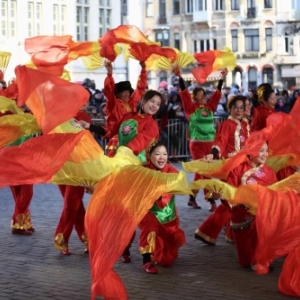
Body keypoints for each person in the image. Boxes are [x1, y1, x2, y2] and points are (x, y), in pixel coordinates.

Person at [194, 95, 251, 244]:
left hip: (244, 168)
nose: (238, 110)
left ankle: (211, 232)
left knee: (234, 201)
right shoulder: (227, 124)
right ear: (230, 108)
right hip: (231, 167)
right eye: (235, 107)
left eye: (241, 107)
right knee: (230, 201)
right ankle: (210, 231)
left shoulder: (245, 125)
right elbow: (221, 141)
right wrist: (213, 153)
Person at [173, 66, 226, 210]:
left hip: (210, 144)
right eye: (200, 94)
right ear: (195, 96)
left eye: (204, 94)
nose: (203, 96)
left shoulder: (210, 107)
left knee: (200, 172)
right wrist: (180, 77)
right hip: (196, 144)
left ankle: (191, 198)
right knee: (205, 171)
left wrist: (222, 78)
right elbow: (184, 94)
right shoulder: (190, 108)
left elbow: (217, 94)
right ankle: (211, 201)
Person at [228, 142, 277, 269]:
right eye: (261, 150)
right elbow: (229, 191)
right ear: (252, 151)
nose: (265, 154)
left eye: (266, 151)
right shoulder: (237, 169)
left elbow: (276, 193)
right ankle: (252, 260)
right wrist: (217, 195)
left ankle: (260, 261)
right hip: (241, 216)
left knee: (262, 234)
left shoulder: (270, 172)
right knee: (245, 261)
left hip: (262, 214)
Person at [138, 141, 186, 274]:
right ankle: (146, 260)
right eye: (157, 154)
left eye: (164, 154)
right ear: (149, 156)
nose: (162, 157)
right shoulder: (143, 170)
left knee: (167, 260)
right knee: (151, 225)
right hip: (147, 210)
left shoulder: (172, 170)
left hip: (166, 213)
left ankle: (157, 252)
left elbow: (179, 185)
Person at [54, 103, 92, 255]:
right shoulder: (59, 117)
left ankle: (61, 238)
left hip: (78, 168)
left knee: (71, 205)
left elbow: (88, 146)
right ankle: (88, 238)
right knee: (75, 206)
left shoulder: (84, 118)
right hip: (61, 167)